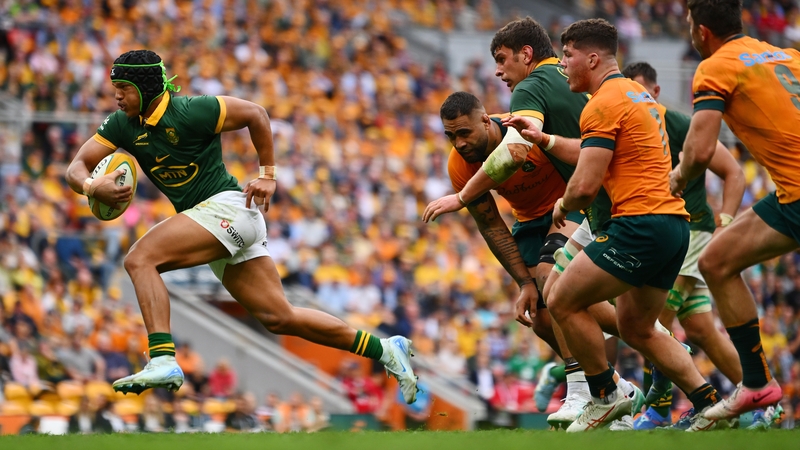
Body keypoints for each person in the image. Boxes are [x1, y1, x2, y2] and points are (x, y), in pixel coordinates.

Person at [64, 50, 417, 403]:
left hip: (228, 208)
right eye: (115, 88)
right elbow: (76, 167)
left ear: (145, 88)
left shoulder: (192, 110)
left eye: (124, 88)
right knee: (280, 318)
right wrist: (92, 187)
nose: (116, 96)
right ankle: (386, 349)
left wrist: (268, 175)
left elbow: (255, 114)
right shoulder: (121, 124)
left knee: (140, 259)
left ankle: (163, 359)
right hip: (217, 219)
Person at [505, 18, 725, 432]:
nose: (563, 65)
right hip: (673, 226)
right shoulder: (636, 95)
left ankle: (607, 395)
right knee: (637, 328)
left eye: (567, 56)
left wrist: (563, 203)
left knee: (559, 297)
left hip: (638, 225)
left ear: (592, 58)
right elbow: (592, 150)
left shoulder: (601, 103)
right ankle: (709, 403)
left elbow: (585, 185)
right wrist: (545, 139)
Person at [423, 19, 635, 429]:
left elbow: (526, 153)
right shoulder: (459, 165)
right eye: (451, 137)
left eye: (464, 133)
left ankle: (587, 387)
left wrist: (460, 199)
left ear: (488, 121)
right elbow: (491, 226)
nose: (460, 143)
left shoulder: (523, 119)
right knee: (539, 312)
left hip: (567, 206)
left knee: (553, 278)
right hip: (529, 222)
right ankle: (616, 385)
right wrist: (522, 282)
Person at [669, 0, 797, 421]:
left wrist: (677, 176)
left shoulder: (715, 67)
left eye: (690, 23)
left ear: (702, 31)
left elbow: (699, 150)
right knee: (716, 261)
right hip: (790, 195)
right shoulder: (788, 56)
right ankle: (757, 384)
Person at [621, 61, 746, 429]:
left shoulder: (674, 123)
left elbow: (733, 171)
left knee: (651, 322)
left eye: (642, 91)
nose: (635, 99)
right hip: (667, 233)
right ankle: (759, 399)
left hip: (691, 232)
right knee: (701, 328)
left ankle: (659, 409)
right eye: (629, 92)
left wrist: (725, 225)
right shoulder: (627, 125)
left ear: (656, 92)